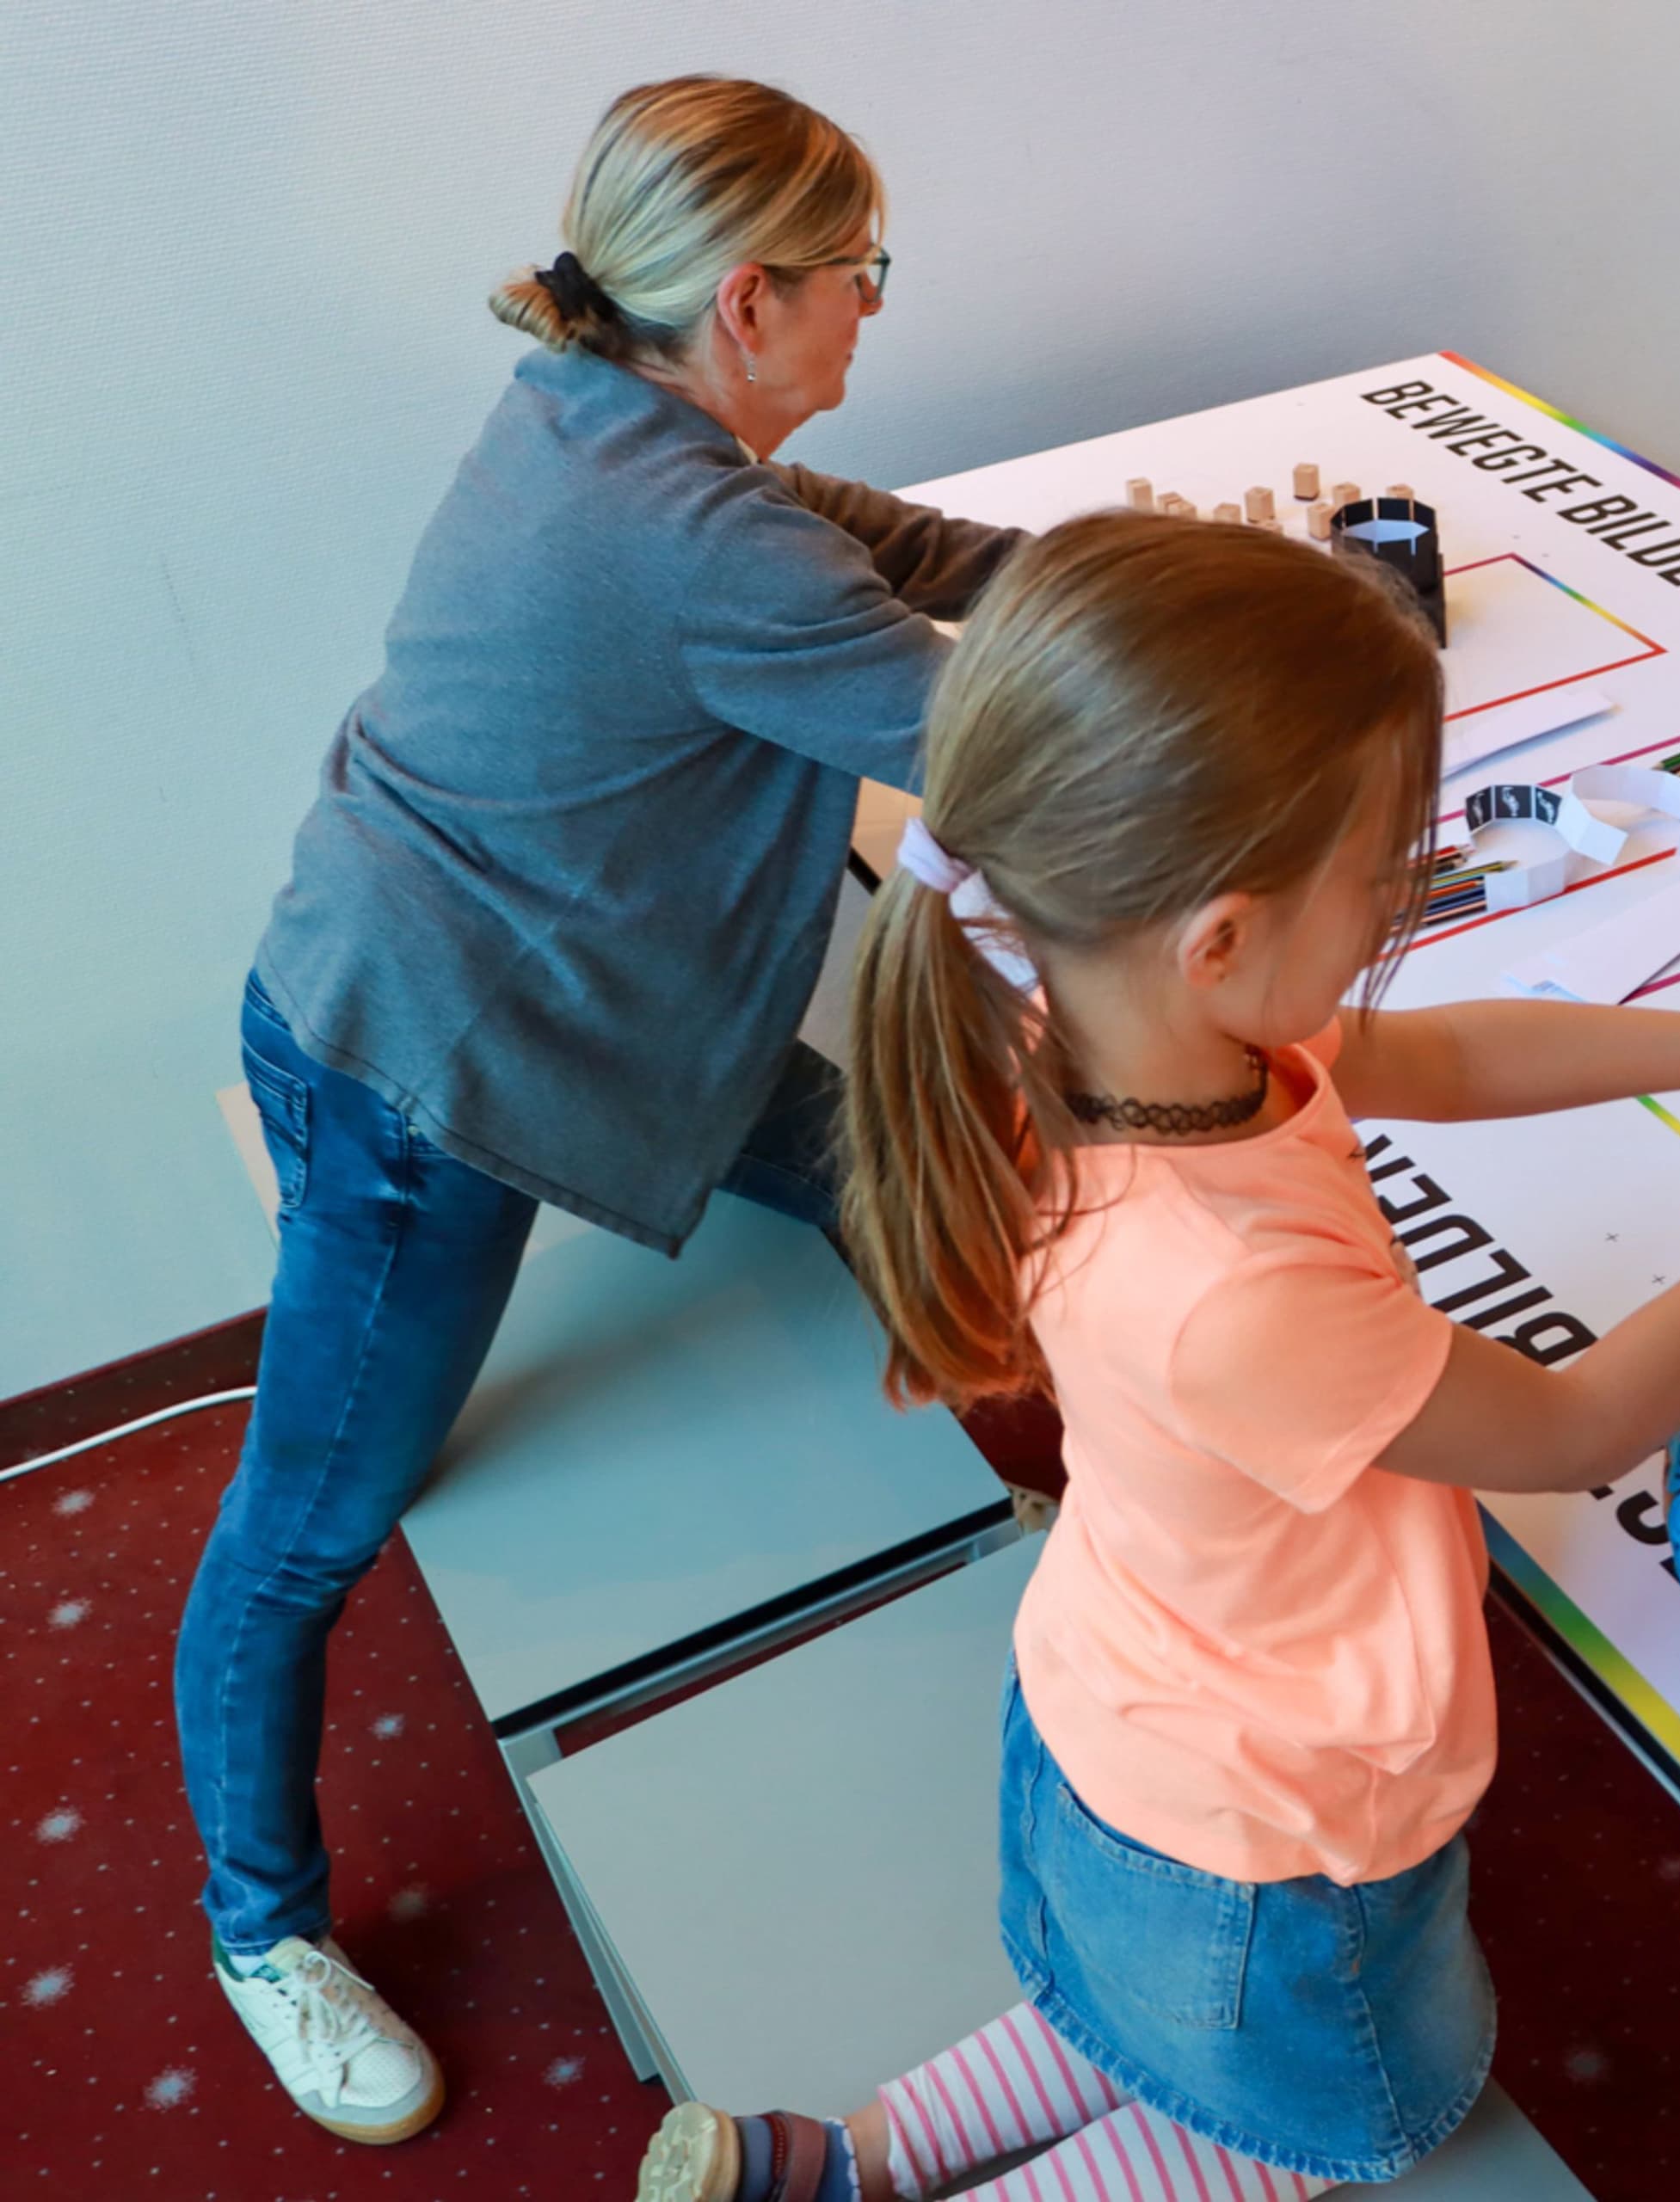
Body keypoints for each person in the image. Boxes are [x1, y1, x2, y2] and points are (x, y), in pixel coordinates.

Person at [631, 510, 1680, 2202]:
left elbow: (1443, 1047)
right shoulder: (1229, 1287)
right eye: (1378, 875)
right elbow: (1574, 1426)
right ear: (1220, 932)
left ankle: (833, 2163)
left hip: (1112, 1726)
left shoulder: (1111, 1011)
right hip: (1271, 1845)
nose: (1395, 905)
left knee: (1120, 2015)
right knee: (1336, 2115)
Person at [183, 77, 1025, 2143]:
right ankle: (256, 1925)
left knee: (885, 1171)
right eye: (859, 281)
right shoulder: (684, 534)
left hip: (546, 995)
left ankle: (1018, 1530)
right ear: (749, 302)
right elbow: (1004, 745)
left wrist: (1115, 575)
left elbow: (882, 550)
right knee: (309, 1526)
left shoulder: (607, 407)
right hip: (437, 1080)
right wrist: (1214, 662)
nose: (870, 318)